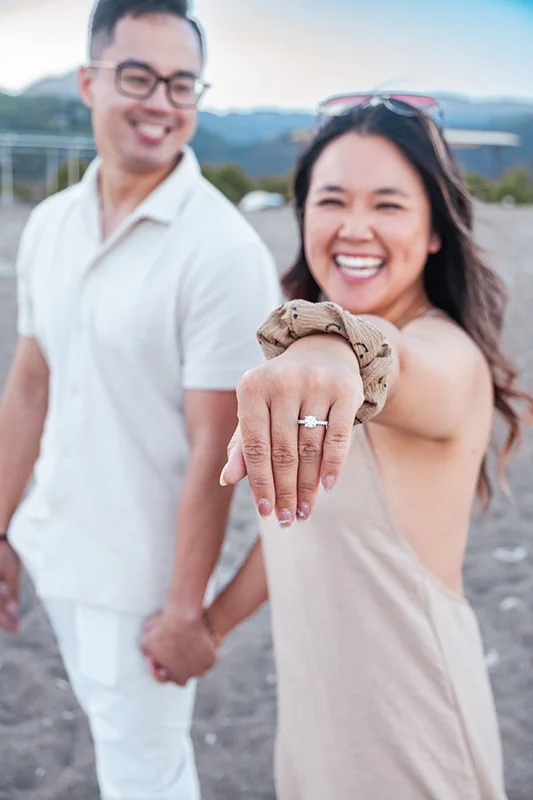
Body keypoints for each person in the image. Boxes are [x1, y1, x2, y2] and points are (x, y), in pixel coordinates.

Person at [162, 96, 532, 798]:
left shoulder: (446, 356)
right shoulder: (308, 377)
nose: (354, 227)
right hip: (315, 730)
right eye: (330, 200)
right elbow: (292, 523)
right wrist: (209, 626)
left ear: (432, 233)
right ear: (303, 217)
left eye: (388, 205)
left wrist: (338, 345)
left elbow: (396, 361)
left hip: (410, 741)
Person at [0, 0, 279, 797]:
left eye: (182, 84)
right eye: (137, 76)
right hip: (50, 545)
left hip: (140, 586)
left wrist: (186, 611)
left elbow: (212, 448)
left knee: (145, 781)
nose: (160, 101)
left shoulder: (220, 250)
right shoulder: (52, 223)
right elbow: (30, 382)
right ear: (89, 82)